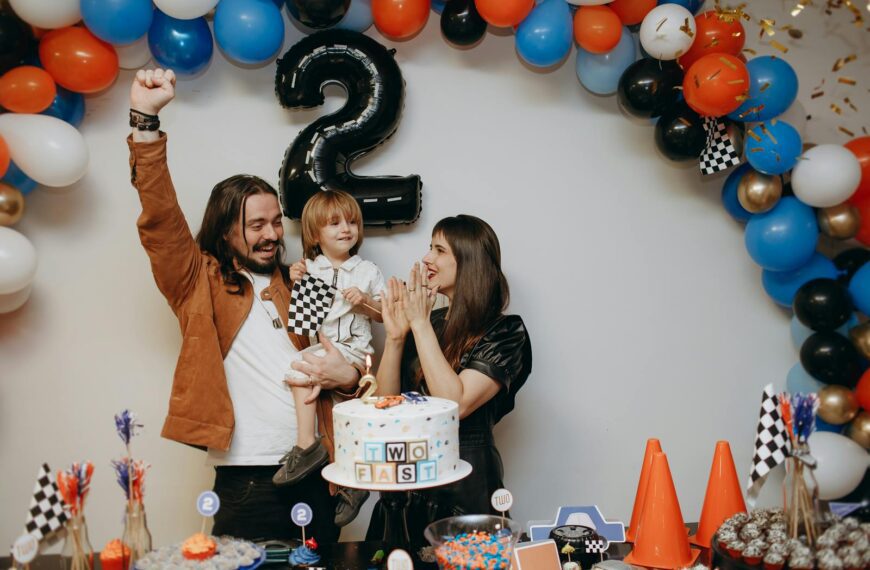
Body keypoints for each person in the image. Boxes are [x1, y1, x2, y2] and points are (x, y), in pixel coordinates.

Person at [127, 68, 362, 541]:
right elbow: (161, 218)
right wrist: (145, 122)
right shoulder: (199, 281)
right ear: (225, 229)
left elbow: (338, 363)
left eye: (276, 222)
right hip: (247, 480)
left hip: (319, 471)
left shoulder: (302, 284)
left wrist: (351, 376)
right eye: (256, 225)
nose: (273, 234)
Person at [365, 214, 532, 546]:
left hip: (467, 482)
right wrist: (397, 338)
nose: (427, 258)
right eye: (430, 247)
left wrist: (419, 324)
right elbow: (384, 407)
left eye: (439, 250)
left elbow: (455, 403)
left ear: (469, 262)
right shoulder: (429, 321)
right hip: (409, 478)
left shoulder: (506, 332)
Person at [274, 190, 384, 527]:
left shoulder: (366, 270)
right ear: (314, 234)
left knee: (352, 419)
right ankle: (308, 446)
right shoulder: (311, 268)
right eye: (334, 223)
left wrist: (365, 301)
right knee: (298, 376)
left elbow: (384, 315)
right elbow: (303, 317)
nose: (346, 229)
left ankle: (351, 482)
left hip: (354, 353)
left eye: (351, 221)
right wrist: (296, 281)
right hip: (321, 348)